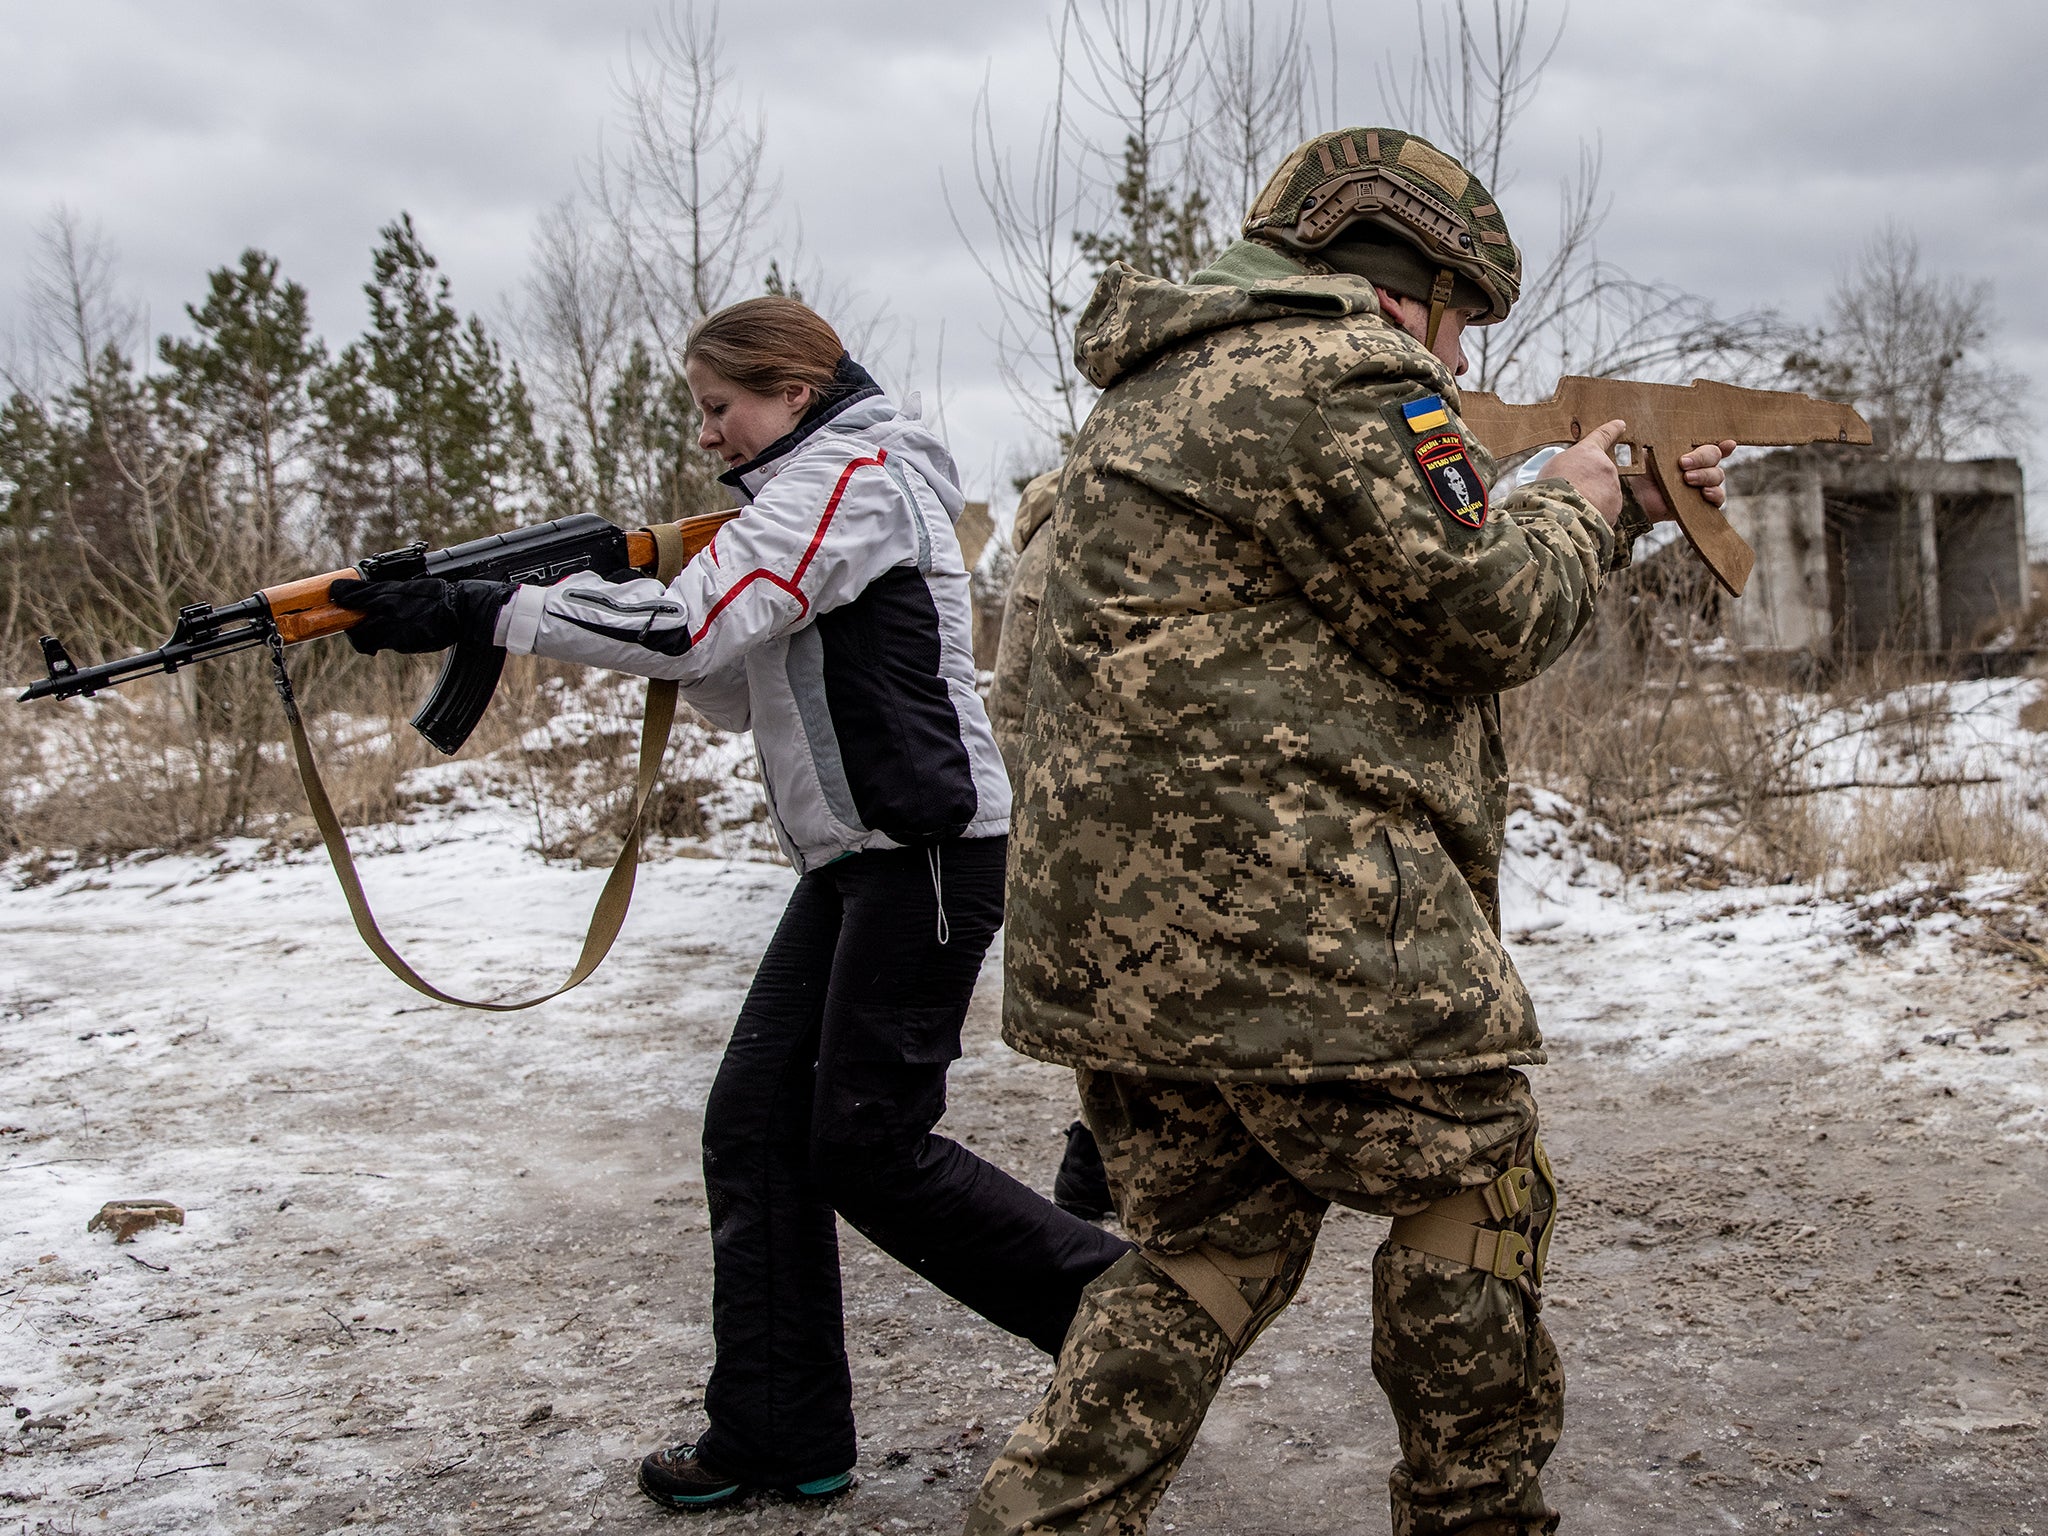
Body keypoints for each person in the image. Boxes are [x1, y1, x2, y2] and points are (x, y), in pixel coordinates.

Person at [967, 128, 1735, 1536]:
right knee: (1477, 1182)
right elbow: (1484, 611)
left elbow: (1363, 591)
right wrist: (1582, 496)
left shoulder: (1145, 401)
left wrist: (1599, 510)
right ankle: (1476, 1513)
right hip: (1298, 928)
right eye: (1457, 321)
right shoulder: (1343, 375)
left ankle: (1041, 1517)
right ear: (1407, 285)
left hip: (1126, 953)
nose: (1453, 355)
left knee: (1214, 1241)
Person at [327, 295, 1129, 1512]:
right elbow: (730, 682)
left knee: (866, 1144)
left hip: (925, 852)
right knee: (753, 1128)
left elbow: (697, 628)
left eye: (721, 408)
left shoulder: (856, 478)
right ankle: (777, 1432)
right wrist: (591, 586)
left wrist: (494, 606)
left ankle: (1132, 1328)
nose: (708, 436)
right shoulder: (795, 496)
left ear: (792, 393)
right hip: (858, 860)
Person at [987, 467, 1117, 1223]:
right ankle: (1093, 1169)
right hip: (1087, 795)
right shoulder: (1085, 525)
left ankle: (1095, 1167)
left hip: (1047, 795)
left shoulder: (1050, 528)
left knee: (1116, 993)